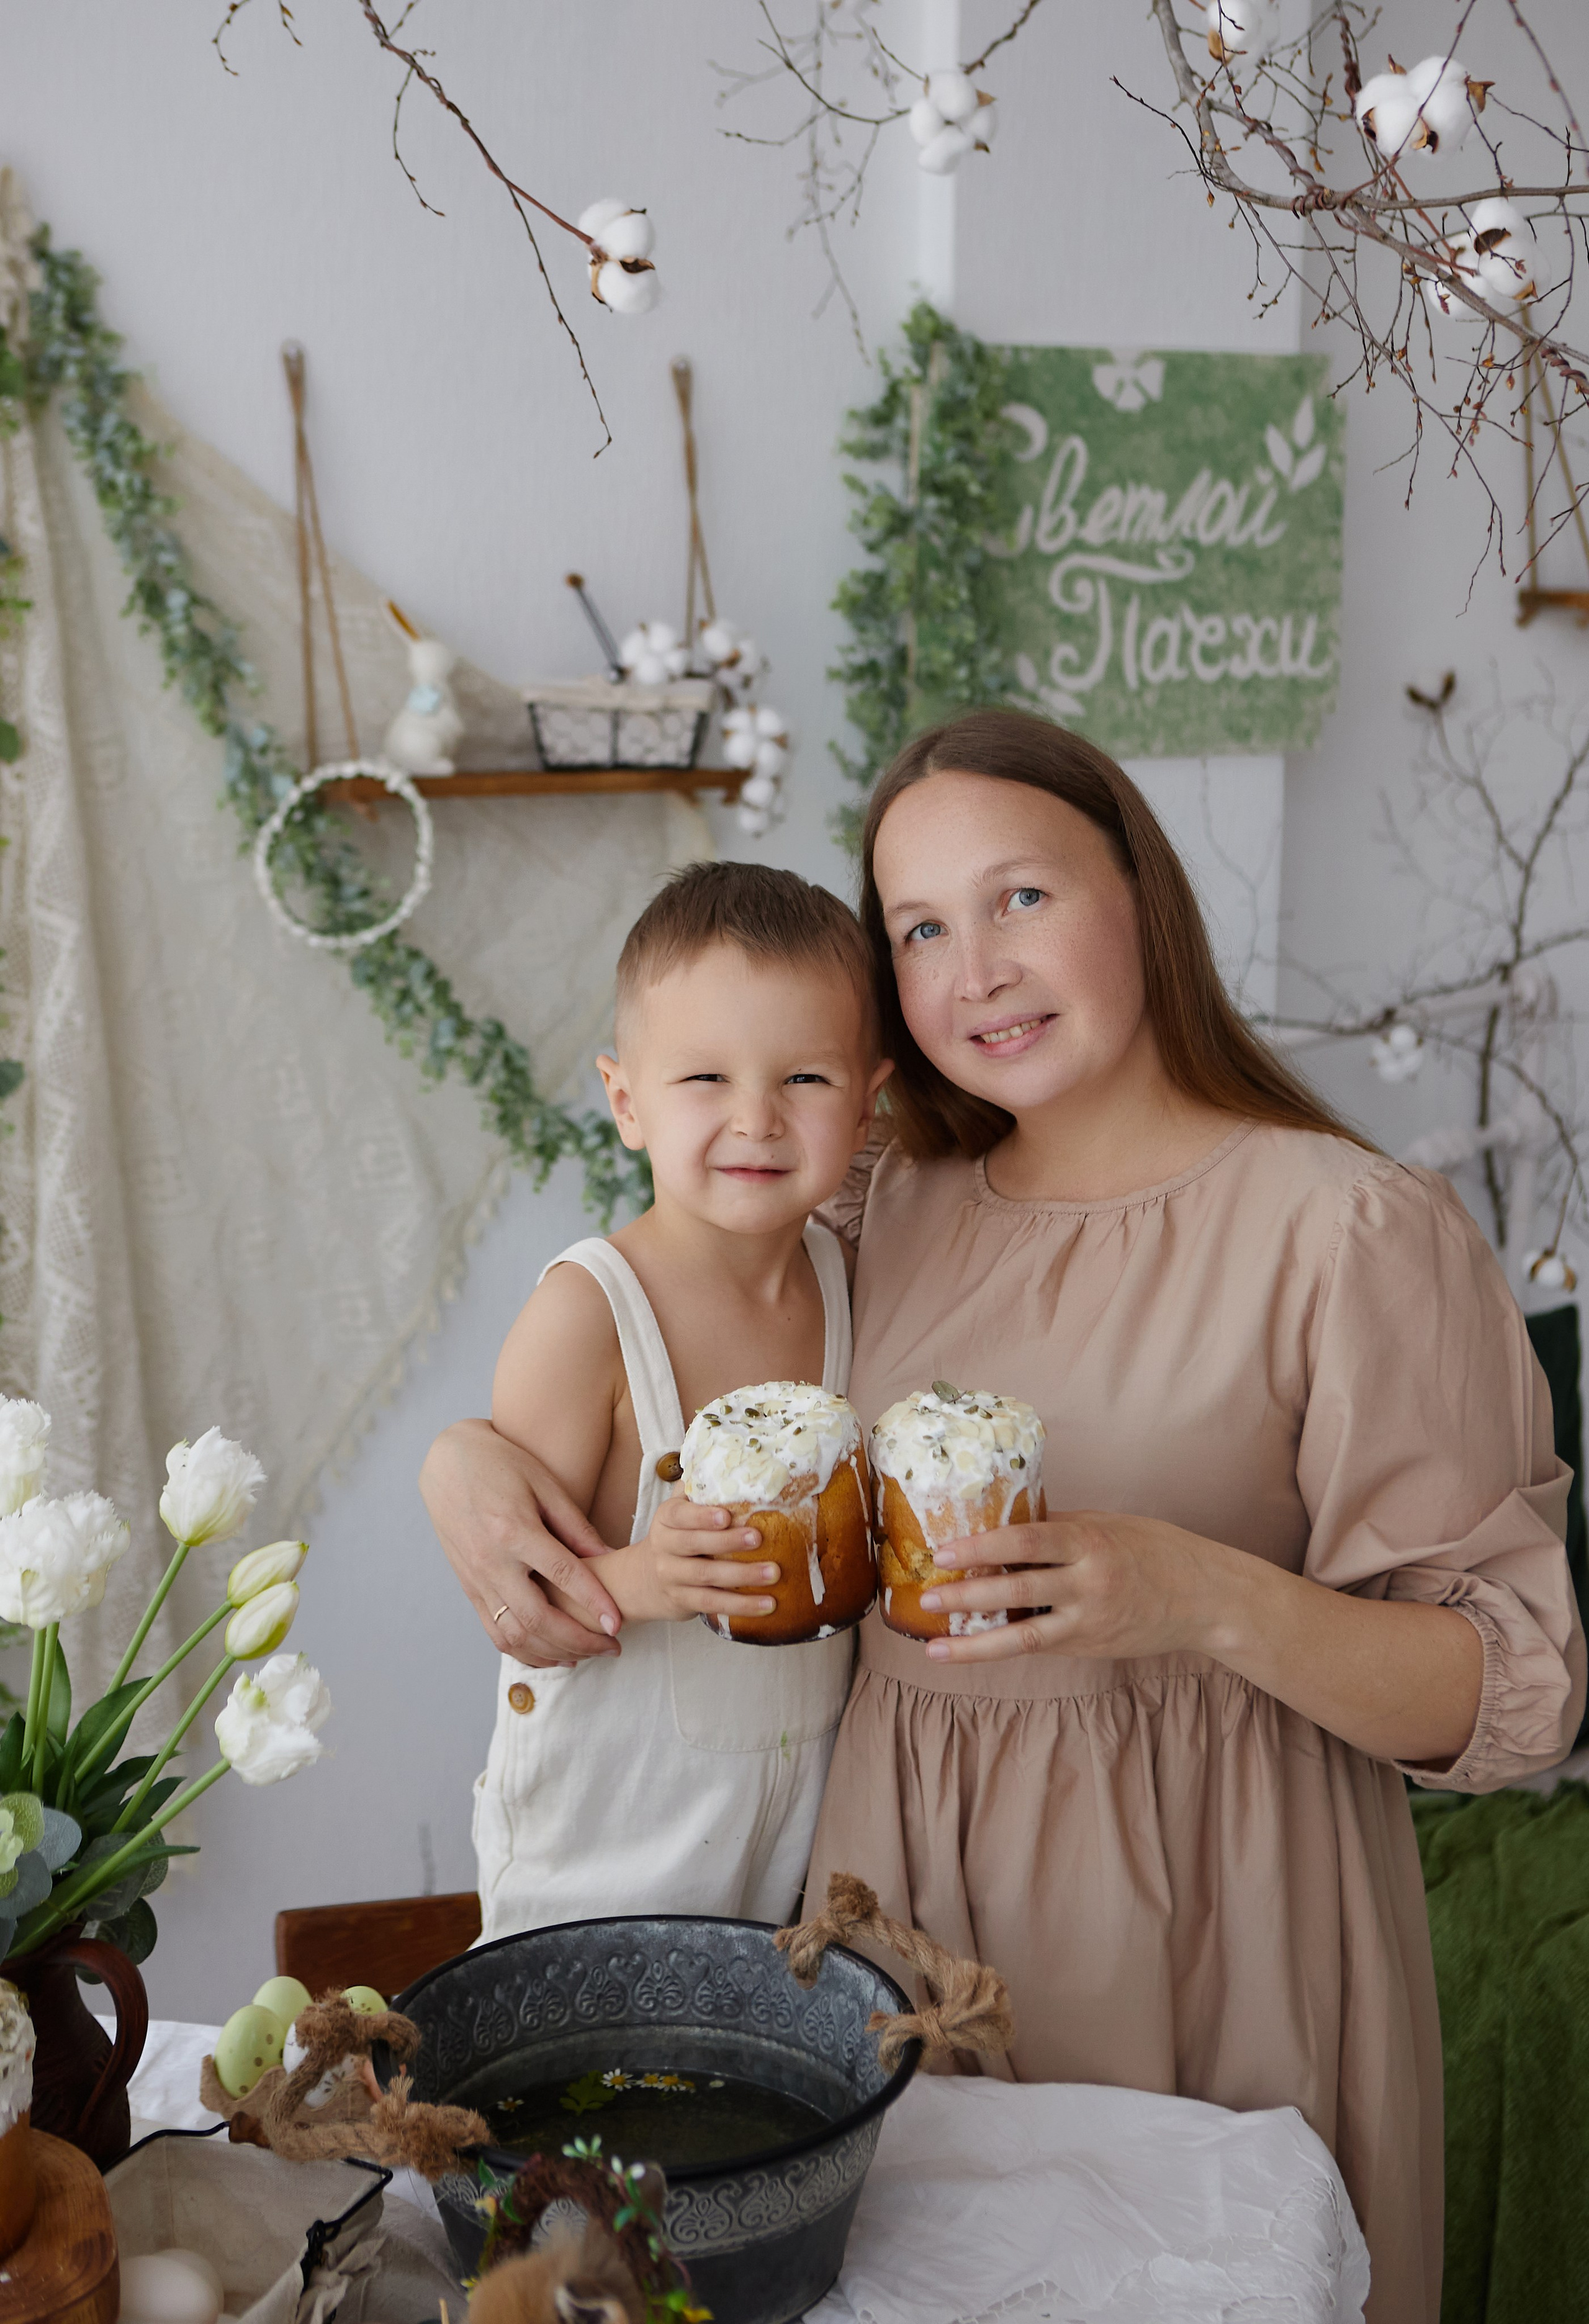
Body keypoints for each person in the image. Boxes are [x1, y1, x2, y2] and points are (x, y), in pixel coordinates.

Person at [422, 711, 1584, 2324]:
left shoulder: (1350, 1231)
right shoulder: (875, 1202)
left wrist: (1205, 1598)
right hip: (894, 1936)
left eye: (1019, 899)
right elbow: (645, 1295)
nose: (977, 968)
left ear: (1140, 892)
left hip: (1216, 1933)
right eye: (919, 929)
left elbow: (1510, 1695)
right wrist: (461, 1460)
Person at [468, 860, 891, 1942]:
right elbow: (519, 1601)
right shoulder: (590, 1315)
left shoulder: (852, 1285)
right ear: (626, 1102)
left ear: (868, 1103)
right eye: (704, 1080)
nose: (756, 1120)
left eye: (805, 1081)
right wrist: (645, 1575)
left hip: (791, 1840)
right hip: (605, 1845)